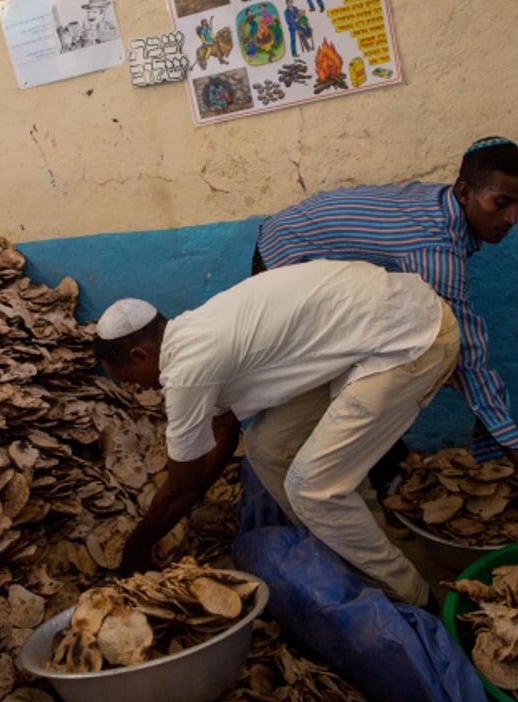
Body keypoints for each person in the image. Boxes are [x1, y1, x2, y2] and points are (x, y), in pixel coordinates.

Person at [93, 258, 460, 606]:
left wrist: (136, 549)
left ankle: (411, 595)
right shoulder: (192, 333)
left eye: (132, 381)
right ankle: (351, 551)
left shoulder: (185, 370)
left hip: (410, 334)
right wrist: (188, 500)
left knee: (311, 488)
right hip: (368, 332)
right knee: (268, 447)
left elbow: (181, 487)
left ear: (141, 355)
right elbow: (225, 432)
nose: (140, 390)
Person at [252, 136, 518, 540]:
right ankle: (336, 507)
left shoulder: (445, 208)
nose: (512, 219)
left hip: (321, 258)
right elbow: (474, 363)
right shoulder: (433, 249)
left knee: (399, 359)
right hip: (286, 258)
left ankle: (379, 472)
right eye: (502, 203)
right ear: (465, 192)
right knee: (327, 389)